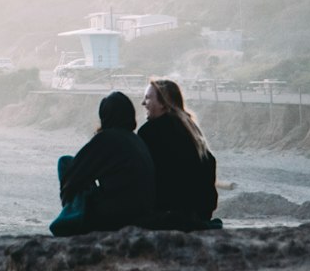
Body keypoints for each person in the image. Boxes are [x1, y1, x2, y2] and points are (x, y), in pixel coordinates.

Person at [49, 90, 156, 236]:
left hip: (116, 213)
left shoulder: (107, 138)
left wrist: (67, 200)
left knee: (65, 162)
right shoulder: (135, 139)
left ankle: (71, 217)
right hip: (142, 210)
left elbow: (75, 173)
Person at [138, 77, 219, 229]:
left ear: (163, 104)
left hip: (168, 215)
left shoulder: (150, 132)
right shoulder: (190, 128)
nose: (143, 103)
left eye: (148, 98)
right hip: (199, 214)